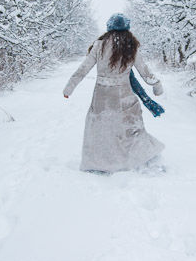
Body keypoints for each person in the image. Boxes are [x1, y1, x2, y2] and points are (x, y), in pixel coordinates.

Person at [63, 13, 165, 173]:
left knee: (99, 129)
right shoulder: (132, 46)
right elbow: (145, 71)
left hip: (102, 97)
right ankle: (138, 159)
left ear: (109, 29)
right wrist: (156, 85)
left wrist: (69, 88)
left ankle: (99, 163)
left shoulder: (99, 45)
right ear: (127, 29)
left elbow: (83, 69)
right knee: (130, 128)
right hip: (124, 95)